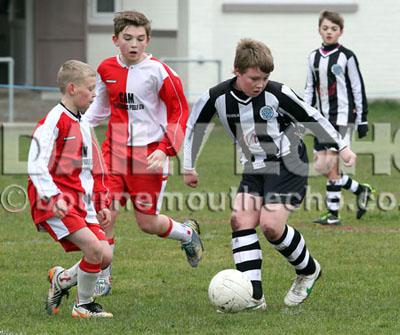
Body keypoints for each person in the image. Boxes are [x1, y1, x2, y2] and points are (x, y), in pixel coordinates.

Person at [183, 38, 357, 309]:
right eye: (254, 78)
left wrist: (342, 146)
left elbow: (312, 116)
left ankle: (308, 270)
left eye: (265, 78)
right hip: (254, 166)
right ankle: (253, 297)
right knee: (240, 220)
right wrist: (188, 165)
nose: (260, 83)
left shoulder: (277, 93)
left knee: (271, 226)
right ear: (236, 71)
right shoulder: (216, 98)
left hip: (288, 163)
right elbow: (196, 127)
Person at [85, 10, 203, 296]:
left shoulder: (161, 73)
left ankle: (188, 234)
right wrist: (77, 125)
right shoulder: (105, 69)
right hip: (112, 154)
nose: (134, 44)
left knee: (147, 223)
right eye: (127, 38)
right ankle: (104, 275)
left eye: (140, 38)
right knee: (105, 215)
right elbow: (99, 109)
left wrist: (165, 150)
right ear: (115, 39)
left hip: (149, 157)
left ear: (148, 40)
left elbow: (179, 113)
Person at [27, 60, 113, 318]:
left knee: (105, 255)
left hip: (80, 201)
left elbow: (93, 167)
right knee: (94, 249)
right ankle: (83, 305)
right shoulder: (54, 121)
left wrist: (100, 203)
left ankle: (62, 280)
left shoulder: (83, 123)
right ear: (73, 89)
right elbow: (35, 163)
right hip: (55, 201)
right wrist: (53, 197)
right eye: (90, 89)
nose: (95, 94)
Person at [304, 10, 375, 225]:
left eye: (333, 29)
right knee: (320, 167)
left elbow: (357, 87)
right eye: (325, 28)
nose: (329, 32)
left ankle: (333, 215)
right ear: (319, 29)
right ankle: (361, 189)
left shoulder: (347, 56)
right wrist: (305, 114)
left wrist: (362, 119)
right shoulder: (313, 57)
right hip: (321, 119)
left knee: (332, 166)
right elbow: (309, 88)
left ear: (340, 32)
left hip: (342, 118)